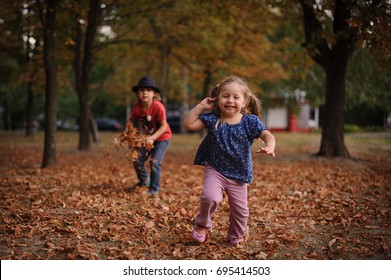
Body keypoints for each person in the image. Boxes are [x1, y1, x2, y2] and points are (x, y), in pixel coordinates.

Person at [182, 76, 276, 246]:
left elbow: (267, 135)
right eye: (225, 96)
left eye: (235, 97)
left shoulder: (249, 121)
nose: (230, 100)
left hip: (239, 173)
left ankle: (235, 235)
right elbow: (188, 124)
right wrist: (201, 106)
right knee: (210, 197)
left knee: (241, 211)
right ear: (217, 99)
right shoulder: (212, 119)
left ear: (244, 101)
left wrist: (270, 145)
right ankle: (202, 225)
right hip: (215, 169)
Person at [127, 76, 172, 195]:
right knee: (137, 158)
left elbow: (164, 126)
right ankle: (144, 180)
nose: (145, 93)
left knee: (154, 162)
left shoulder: (158, 106)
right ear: (137, 93)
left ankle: (154, 189)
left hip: (162, 138)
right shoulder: (137, 107)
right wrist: (128, 133)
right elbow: (130, 121)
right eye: (141, 90)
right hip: (147, 138)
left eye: (148, 90)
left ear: (154, 93)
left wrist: (152, 138)